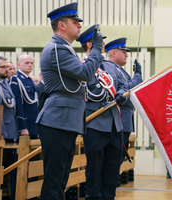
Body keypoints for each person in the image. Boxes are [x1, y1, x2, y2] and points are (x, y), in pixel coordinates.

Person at [35, 3, 104, 199]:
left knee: (60, 179)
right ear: (62, 25)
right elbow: (86, 73)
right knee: (55, 180)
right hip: (58, 119)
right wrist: (96, 49)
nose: (80, 26)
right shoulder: (57, 48)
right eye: (75, 22)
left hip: (65, 119)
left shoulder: (64, 48)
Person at [76, 24, 127, 200]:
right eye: (100, 41)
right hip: (94, 123)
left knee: (112, 167)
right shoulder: (82, 65)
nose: (104, 44)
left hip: (115, 124)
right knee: (95, 169)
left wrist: (120, 94)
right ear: (90, 44)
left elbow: (121, 85)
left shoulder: (110, 66)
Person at [105, 37, 143, 165]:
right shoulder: (110, 68)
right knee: (114, 159)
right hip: (120, 118)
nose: (127, 55)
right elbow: (128, 89)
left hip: (125, 119)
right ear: (113, 53)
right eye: (123, 51)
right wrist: (137, 76)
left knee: (118, 159)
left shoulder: (121, 71)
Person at [0, 56, 18, 199]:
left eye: (7, 67)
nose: (7, 69)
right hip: (2, 135)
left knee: (7, 168)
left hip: (10, 133)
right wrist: (1, 136)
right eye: (3, 67)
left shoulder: (4, 83)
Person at [9, 54, 39, 139]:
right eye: (26, 63)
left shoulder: (29, 80)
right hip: (25, 125)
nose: (30, 65)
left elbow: (36, 103)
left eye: (31, 63)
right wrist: (22, 127)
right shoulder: (15, 79)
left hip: (33, 124)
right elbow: (17, 105)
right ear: (19, 64)